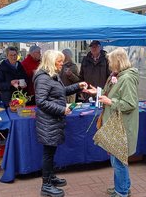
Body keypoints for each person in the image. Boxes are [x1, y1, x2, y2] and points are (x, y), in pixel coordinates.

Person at [84, 47, 139, 197]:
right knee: (119, 159)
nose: (108, 64)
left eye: (110, 61)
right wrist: (98, 93)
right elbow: (112, 93)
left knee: (118, 161)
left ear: (117, 61)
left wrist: (110, 101)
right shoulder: (118, 75)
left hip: (121, 126)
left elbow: (130, 104)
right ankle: (123, 187)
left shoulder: (126, 78)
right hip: (115, 123)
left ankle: (121, 192)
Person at [33, 50, 88, 197]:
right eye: (59, 61)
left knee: (51, 152)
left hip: (53, 121)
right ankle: (46, 186)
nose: (62, 64)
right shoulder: (43, 78)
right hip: (48, 121)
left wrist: (77, 86)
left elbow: (60, 92)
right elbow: (41, 102)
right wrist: (62, 109)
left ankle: (50, 177)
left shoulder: (52, 76)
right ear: (51, 61)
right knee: (48, 153)